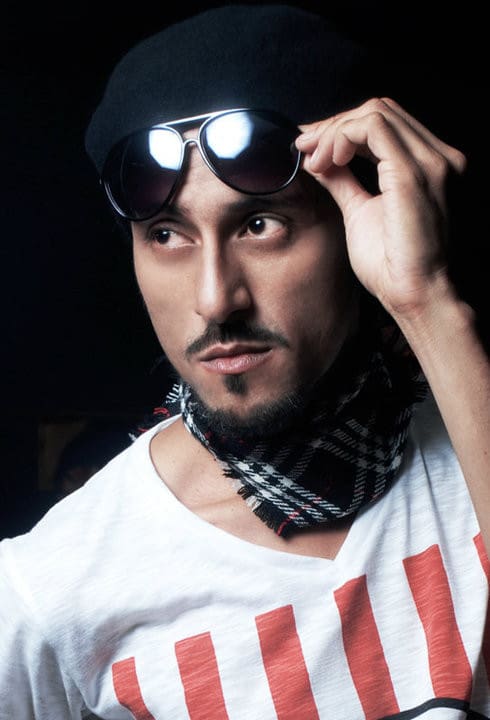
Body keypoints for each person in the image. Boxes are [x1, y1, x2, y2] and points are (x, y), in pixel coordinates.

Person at [1, 4, 489, 718]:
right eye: (167, 235)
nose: (214, 300)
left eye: (261, 224)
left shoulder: (471, 446)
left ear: (361, 216)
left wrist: (429, 302)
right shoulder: (53, 587)